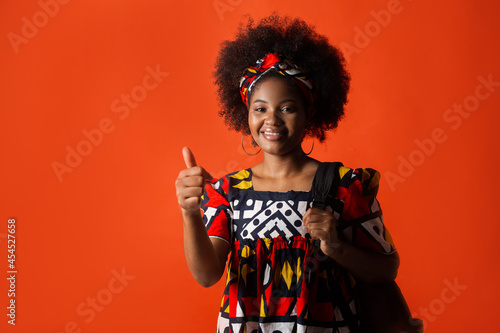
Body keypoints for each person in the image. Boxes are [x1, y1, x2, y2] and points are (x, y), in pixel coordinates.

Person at [175, 14, 399, 333]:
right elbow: (206, 275)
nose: (272, 120)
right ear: (246, 115)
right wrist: (189, 213)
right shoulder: (226, 192)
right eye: (260, 108)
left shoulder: (346, 186)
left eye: (287, 108)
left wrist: (337, 248)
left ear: (310, 113)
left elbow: (387, 268)